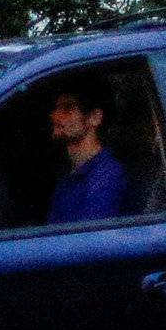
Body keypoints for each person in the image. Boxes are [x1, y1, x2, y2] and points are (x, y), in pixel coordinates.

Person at [45, 75, 133, 225]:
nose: (54, 116)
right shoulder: (70, 173)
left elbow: (87, 243)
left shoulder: (107, 177)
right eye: (56, 108)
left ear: (95, 118)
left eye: (68, 108)